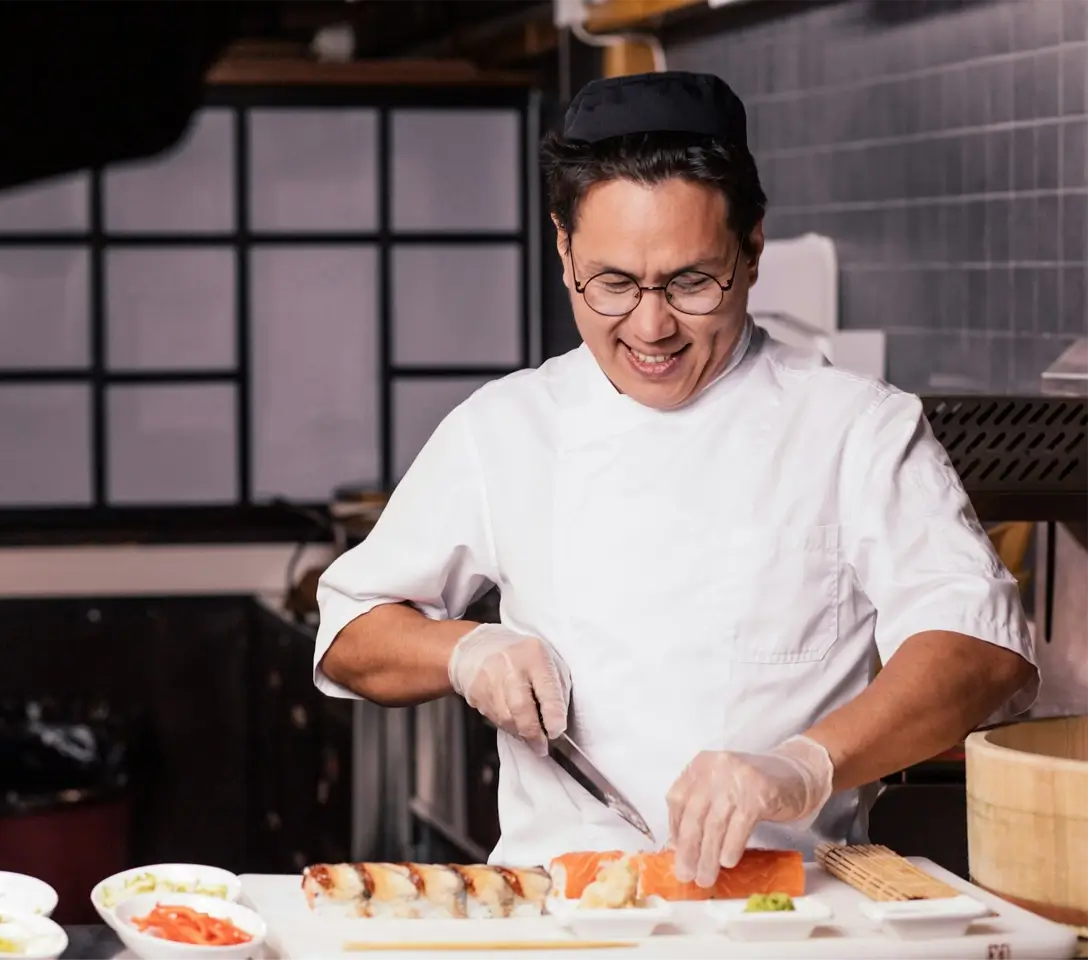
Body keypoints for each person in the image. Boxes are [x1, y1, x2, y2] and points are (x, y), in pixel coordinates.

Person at [310, 71, 1037, 889]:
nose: (651, 327)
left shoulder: (855, 427)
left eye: (692, 282)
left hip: (785, 914)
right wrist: (464, 650)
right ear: (564, 252)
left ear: (753, 248)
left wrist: (804, 765)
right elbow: (348, 637)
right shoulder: (505, 428)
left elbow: (982, 649)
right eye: (614, 284)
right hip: (563, 913)